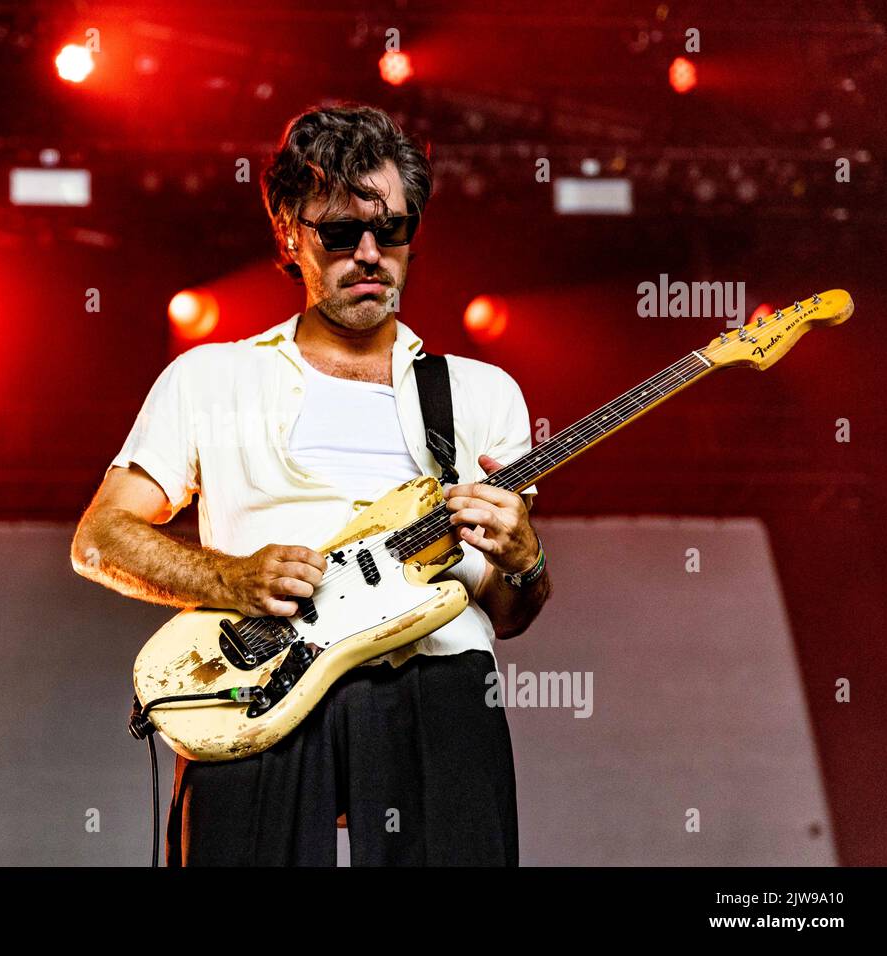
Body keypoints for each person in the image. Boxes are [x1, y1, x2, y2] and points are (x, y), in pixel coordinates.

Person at [72, 103, 550, 865]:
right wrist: (227, 577)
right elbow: (101, 537)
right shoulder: (210, 376)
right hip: (260, 673)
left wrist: (526, 558)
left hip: (435, 679)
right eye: (339, 232)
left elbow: (509, 610)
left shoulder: (482, 392)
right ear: (289, 234)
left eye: (390, 229)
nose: (368, 253)